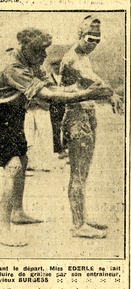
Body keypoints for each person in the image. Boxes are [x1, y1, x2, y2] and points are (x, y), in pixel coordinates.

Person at [0, 27, 113, 246]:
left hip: (15, 114)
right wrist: (86, 94)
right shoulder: (12, 67)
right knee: (13, 167)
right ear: (25, 48)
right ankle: (2, 230)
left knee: (24, 159)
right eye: (39, 51)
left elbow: (54, 89)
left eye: (44, 51)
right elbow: (48, 97)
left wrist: (78, 88)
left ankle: (17, 211)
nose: (44, 56)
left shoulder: (31, 61)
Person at [60, 15, 123, 238]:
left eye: (98, 39)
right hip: (76, 116)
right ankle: (78, 225)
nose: (94, 43)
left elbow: (94, 79)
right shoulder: (72, 58)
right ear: (80, 35)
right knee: (78, 172)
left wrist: (111, 94)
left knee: (83, 172)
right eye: (90, 38)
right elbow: (92, 83)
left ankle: (83, 218)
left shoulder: (84, 55)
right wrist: (113, 94)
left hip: (87, 114)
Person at [49, 57, 67, 158]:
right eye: (54, 66)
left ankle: (66, 146)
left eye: (58, 65)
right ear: (51, 67)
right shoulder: (49, 78)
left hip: (66, 103)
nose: (56, 68)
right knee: (55, 127)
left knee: (66, 125)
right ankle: (59, 150)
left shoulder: (66, 77)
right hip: (54, 105)